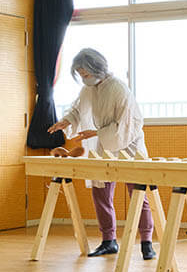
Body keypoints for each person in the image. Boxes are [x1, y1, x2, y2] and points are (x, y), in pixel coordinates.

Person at [48, 48, 156, 260]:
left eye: (85, 73)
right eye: (80, 74)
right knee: (100, 192)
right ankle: (109, 240)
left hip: (129, 144)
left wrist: (97, 133)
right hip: (104, 143)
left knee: (138, 193)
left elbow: (128, 124)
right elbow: (78, 110)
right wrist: (66, 121)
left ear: (96, 68)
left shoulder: (118, 89)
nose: (84, 78)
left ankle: (147, 242)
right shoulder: (89, 90)